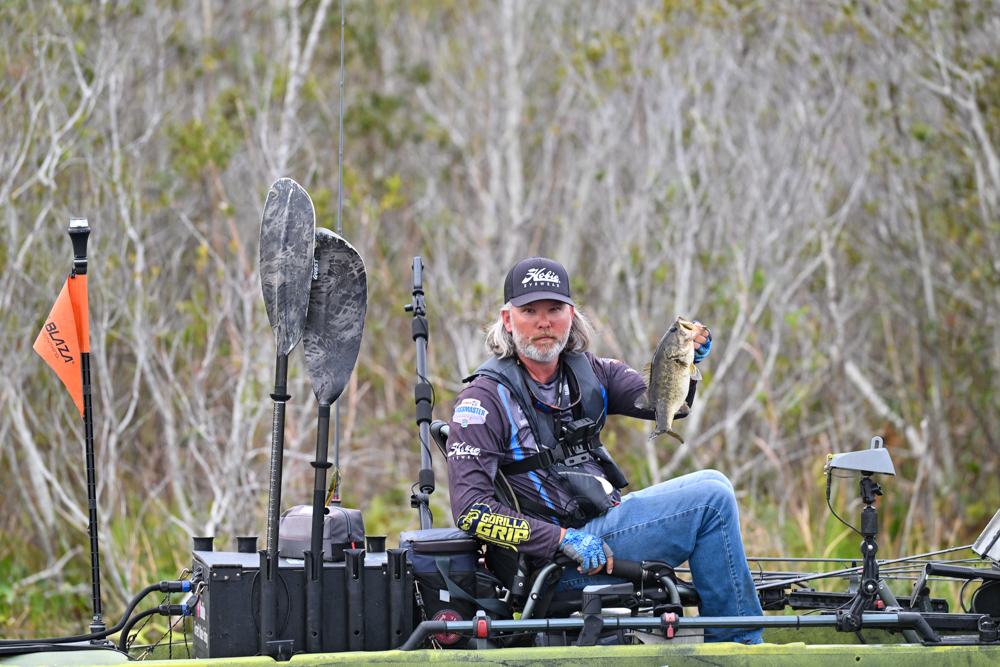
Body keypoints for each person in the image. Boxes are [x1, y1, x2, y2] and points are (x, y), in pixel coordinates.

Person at [445, 257, 763, 644]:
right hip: (554, 564)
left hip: (604, 527)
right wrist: (561, 539)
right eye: (529, 311)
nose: (544, 322)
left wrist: (683, 363)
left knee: (715, 482)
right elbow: (472, 511)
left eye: (554, 309)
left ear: (571, 315)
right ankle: (739, 645)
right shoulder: (481, 400)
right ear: (508, 320)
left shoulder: (592, 372)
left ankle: (729, 637)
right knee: (710, 501)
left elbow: (663, 406)